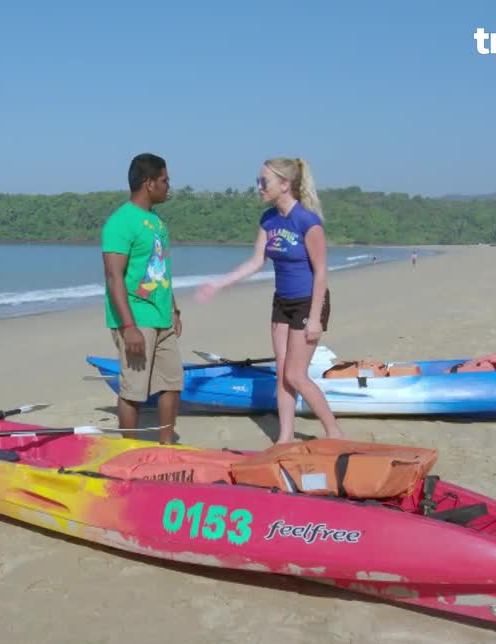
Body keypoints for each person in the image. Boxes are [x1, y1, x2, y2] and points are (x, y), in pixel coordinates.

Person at [195, 157, 344, 442]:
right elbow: (255, 262)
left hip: (308, 303)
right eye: (258, 181)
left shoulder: (307, 222)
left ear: (285, 184)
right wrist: (219, 284)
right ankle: (285, 437)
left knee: (296, 375)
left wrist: (314, 318)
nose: (259, 187)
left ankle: (334, 432)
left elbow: (322, 273)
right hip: (282, 304)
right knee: (282, 375)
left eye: (264, 182)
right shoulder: (268, 219)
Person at [101, 153, 183, 445]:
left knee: (172, 383)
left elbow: (160, 270)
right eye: (164, 180)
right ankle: (130, 450)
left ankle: (166, 446)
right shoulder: (120, 222)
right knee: (134, 391)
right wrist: (129, 326)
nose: (168, 186)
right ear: (149, 183)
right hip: (136, 317)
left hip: (162, 317)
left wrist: (174, 310)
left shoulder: (156, 222)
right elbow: (114, 276)